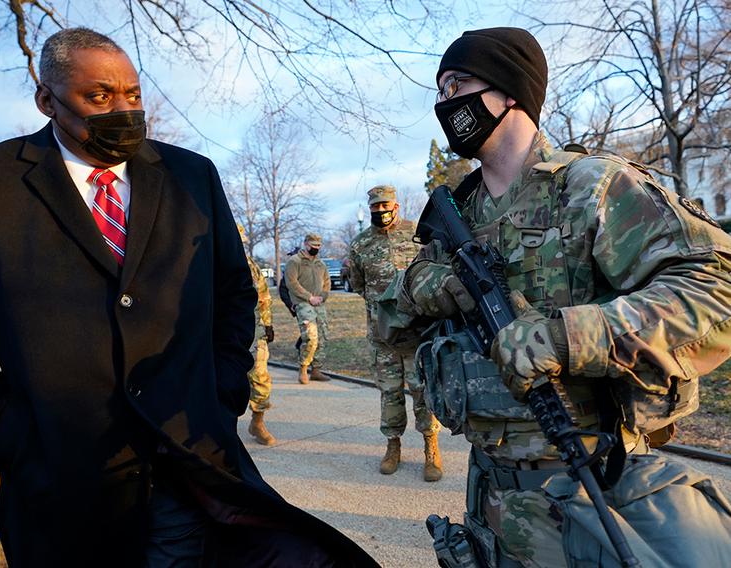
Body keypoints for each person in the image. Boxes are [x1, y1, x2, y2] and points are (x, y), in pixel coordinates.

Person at [0, 28, 377, 567]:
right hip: (61, 483)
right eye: (99, 97)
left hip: (188, 465)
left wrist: (223, 391)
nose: (122, 109)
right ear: (46, 100)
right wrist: (5, 435)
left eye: (132, 94)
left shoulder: (191, 174)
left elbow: (232, 291)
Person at [383, 27, 731, 567]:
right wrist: (422, 286)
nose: (444, 103)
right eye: (440, 90)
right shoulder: (457, 214)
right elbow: (390, 323)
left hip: (588, 492)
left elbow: (717, 285)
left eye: (458, 85)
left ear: (510, 90)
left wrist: (569, 337)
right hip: (488, 493)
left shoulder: (592, 187)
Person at [348, 185, 443, 481]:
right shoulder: (360, 244)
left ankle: (431, 448)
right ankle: (393, 446)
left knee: (422, 391)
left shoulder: (418, 234)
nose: (380, 211)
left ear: (396, 206)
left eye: (385, 205)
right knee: (389, 392)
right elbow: (359, 284)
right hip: (383, 334)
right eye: (375, 207)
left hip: (416, 332)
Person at [237, 224, 277, 446]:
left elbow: (264, 296)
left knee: (261, 378)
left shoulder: (251, 266)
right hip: (221, 332)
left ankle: (258, 421)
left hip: (254, 330)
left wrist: (268, 324)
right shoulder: (208, 263)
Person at [284, 233, 331, 384]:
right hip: (304, 303)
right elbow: (291, 283)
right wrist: (308, 297)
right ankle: (303, 367)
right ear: (306, 244)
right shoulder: (294, 261)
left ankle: (316, 370)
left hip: (319, 304)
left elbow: (326, 282)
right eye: (313, 245)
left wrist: (322, 297)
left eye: (318, 246)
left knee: (323, 337)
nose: (316, 248)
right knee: (311, 336)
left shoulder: (320, 264)